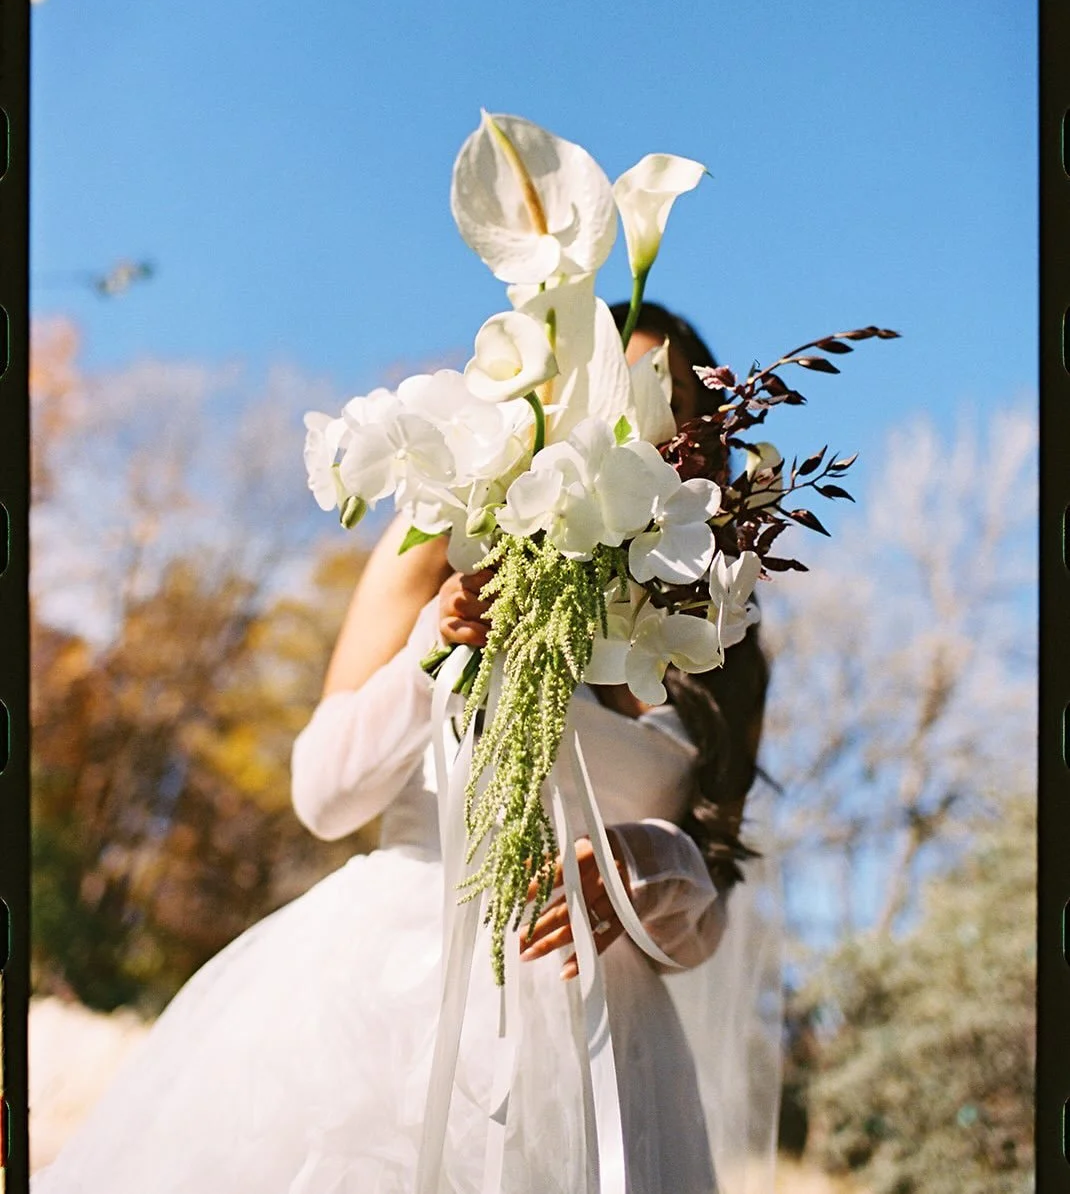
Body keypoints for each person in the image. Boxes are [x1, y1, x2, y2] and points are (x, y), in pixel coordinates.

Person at [33, 304, 782, 1194]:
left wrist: (649, 868)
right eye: (612, 383)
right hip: (390, 991)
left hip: (607, 1059)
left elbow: (709, 911)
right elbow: (322, 794)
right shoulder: (445, 531)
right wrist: (440, 644)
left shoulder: (726, 634)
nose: (634, 416)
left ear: (702, 435)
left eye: (667, 396)